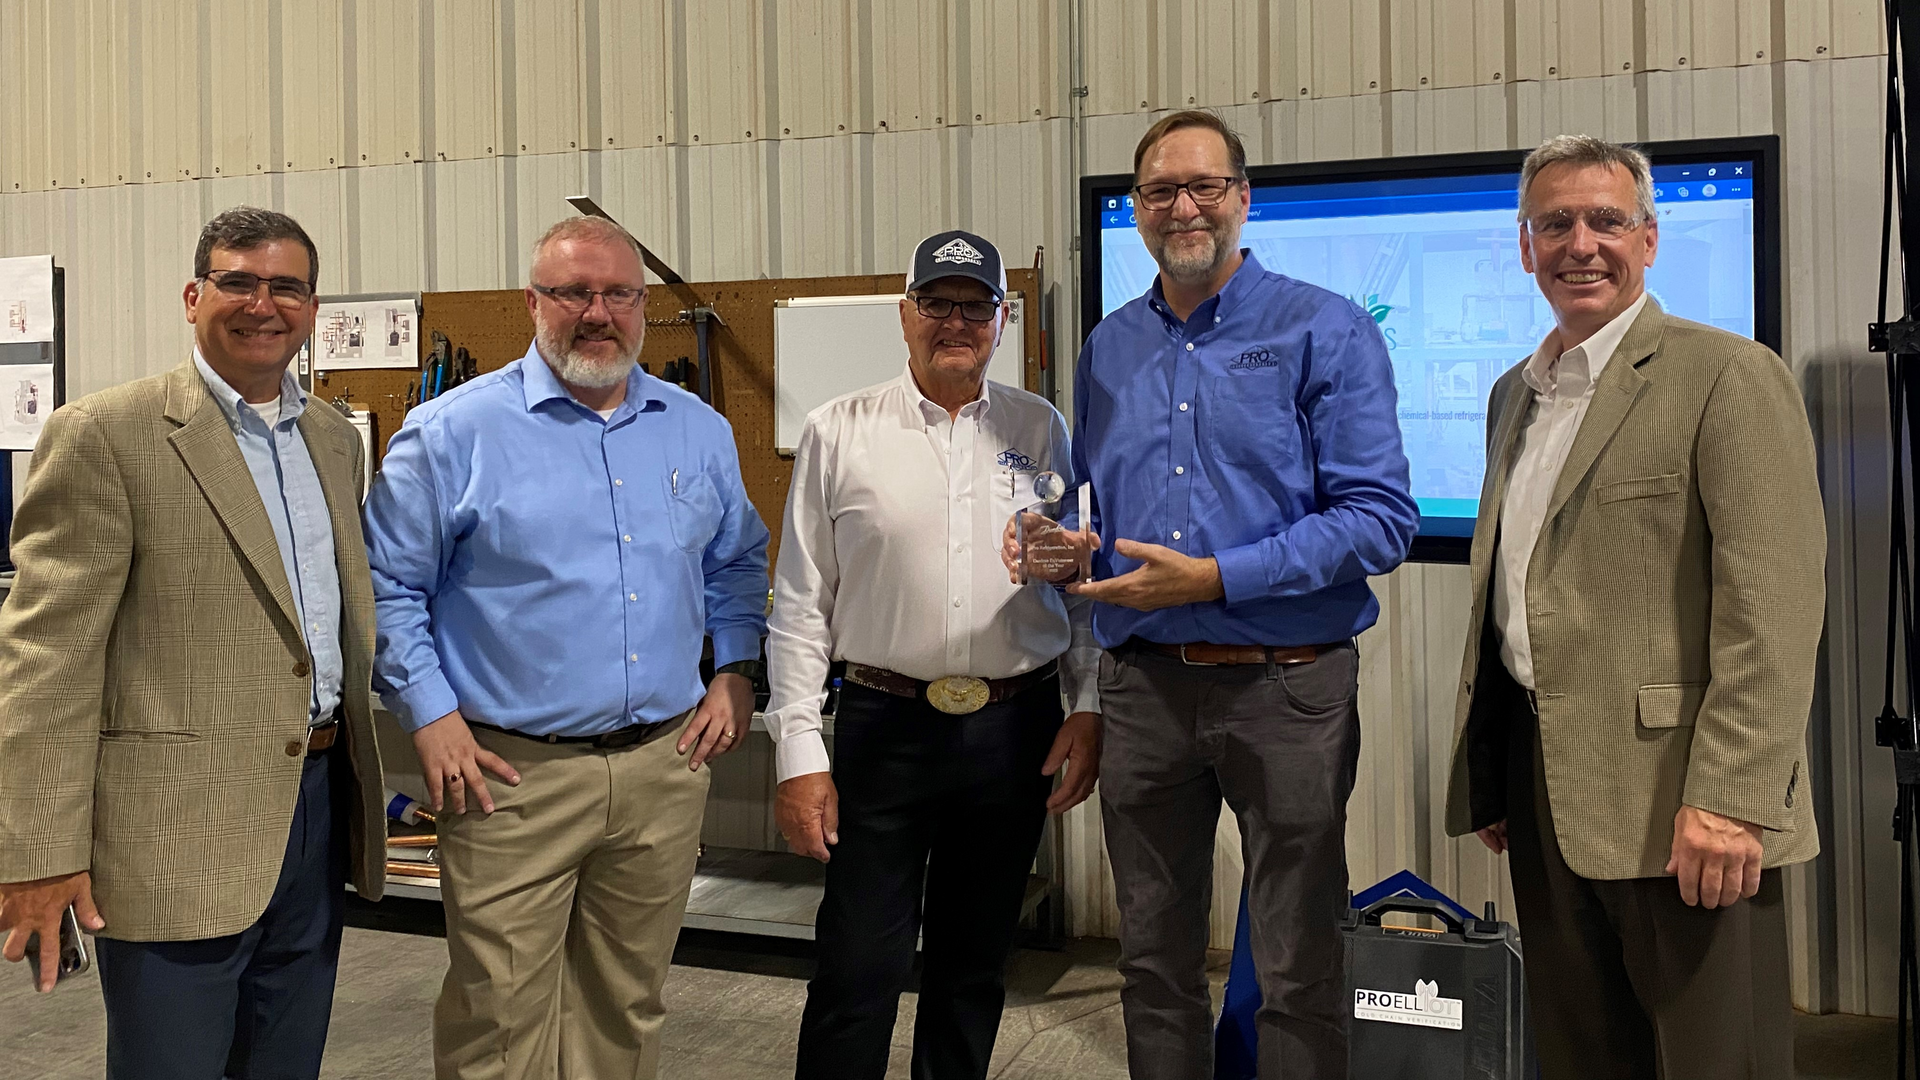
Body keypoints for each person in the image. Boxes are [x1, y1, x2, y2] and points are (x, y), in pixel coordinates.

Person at [1043, 110, 1418, 1079]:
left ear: (1244, 199)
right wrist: (1054, 541)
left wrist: (1216, 579)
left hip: (1287, 690)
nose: (1185, 207)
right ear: (1135, 211)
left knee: (1299, 964)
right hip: (1142, 695)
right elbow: (1093, 503)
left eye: (1206, 186)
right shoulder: (1108, 348)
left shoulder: (1323, 327)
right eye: (1162, 191)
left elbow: (1380, 519)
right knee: (1152, 960)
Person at [1444, 135, 1823, 1080]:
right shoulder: (1512, 398)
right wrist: (1498, 765)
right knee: (1581, 1054)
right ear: (1524, 246)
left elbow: (1772, 605)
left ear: (1649, 240)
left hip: (1685, 802)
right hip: (1544, 786)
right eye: (1555, 223)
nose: (1582, 243)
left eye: (1606, 220)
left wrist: (1732, 800)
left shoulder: (1726, 376)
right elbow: (1515, 593)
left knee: (1713, 1060)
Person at [363, 215, 770, 1080]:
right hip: (511, 777)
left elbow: (736, 559)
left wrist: (735, 670)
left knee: (625, 1004)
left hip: (664, 769)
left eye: (618, 293)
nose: (597, 312)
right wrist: (430, 716)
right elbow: (385, 590)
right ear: (532, 303)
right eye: (573, 293)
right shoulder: (448, 435)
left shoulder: (694, 429)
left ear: (642, 305)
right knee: (499, 1019)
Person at [0, 206, 388, 1080]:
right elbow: (44, 666)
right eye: (238, 282)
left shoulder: (332, 441)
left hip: (317, 806)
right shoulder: (106, 434)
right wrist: (38, 854)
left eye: (286, 286)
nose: (263, 304)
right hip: (171, 829)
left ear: (312, 307)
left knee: (285, 1063)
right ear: (192, 295)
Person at [766, 230, 1102, 1080]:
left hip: (1013, 730)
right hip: (885, 727)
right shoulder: (837, 432)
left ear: (999, 320)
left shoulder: (1041, 428)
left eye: (975, 305)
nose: (957, 321)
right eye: (938, 304)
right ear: (905, 314)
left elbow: (1076, 586)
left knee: (974, 967)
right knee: (858, 966)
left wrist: (1089, 705)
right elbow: (802, 605)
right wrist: (798, 752)